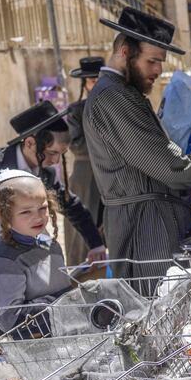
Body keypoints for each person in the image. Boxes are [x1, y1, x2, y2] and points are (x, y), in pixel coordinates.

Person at [83, 7, 191, 280]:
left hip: (150, 221)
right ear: (125, 52)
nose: (158, 70)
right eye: (152, 61)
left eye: (161, 62)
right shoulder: (113, 97)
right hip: (144, 230)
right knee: (160, 308)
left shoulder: (122, 93)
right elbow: (167, 166)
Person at [0, 101, 106, 263]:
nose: (56, 161)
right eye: (52, 152)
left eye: (61, 154)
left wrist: (96, 244)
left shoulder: (46, 174)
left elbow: (72, 206)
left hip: (14, 258)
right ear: (30, 143)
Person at [0, 170, 72, 336]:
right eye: (25, 212)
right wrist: (66, 302)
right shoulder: (2, 261)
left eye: (42, 208)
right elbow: (10, 319)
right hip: (37, 350)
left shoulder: (50, 245)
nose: (38, 217)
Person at [64, 56, 105, 266]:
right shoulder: (75, 111)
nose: (95, 84)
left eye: (99, 79)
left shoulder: (117, 107)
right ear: (85, 84)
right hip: (86, 176)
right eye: (91, 80)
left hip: (113, 175)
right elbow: (76, 145)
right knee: (83, 232)